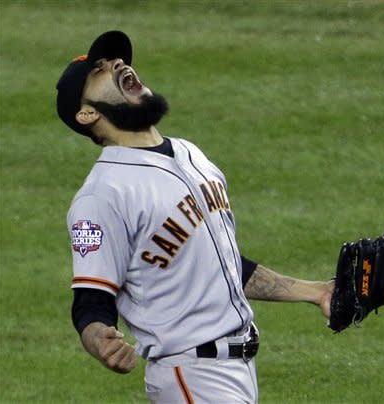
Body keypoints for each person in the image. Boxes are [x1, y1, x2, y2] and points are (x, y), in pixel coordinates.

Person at [56, 31, 334, 403]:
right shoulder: (102, 195)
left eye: (117, 60)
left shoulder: (190, 154)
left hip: (234, 370)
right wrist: (99, 338)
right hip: (192, 375)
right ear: (87, 112)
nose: (119, 64)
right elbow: (90, 299)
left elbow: (220, 264)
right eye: (100, 70)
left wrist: (316, 292)